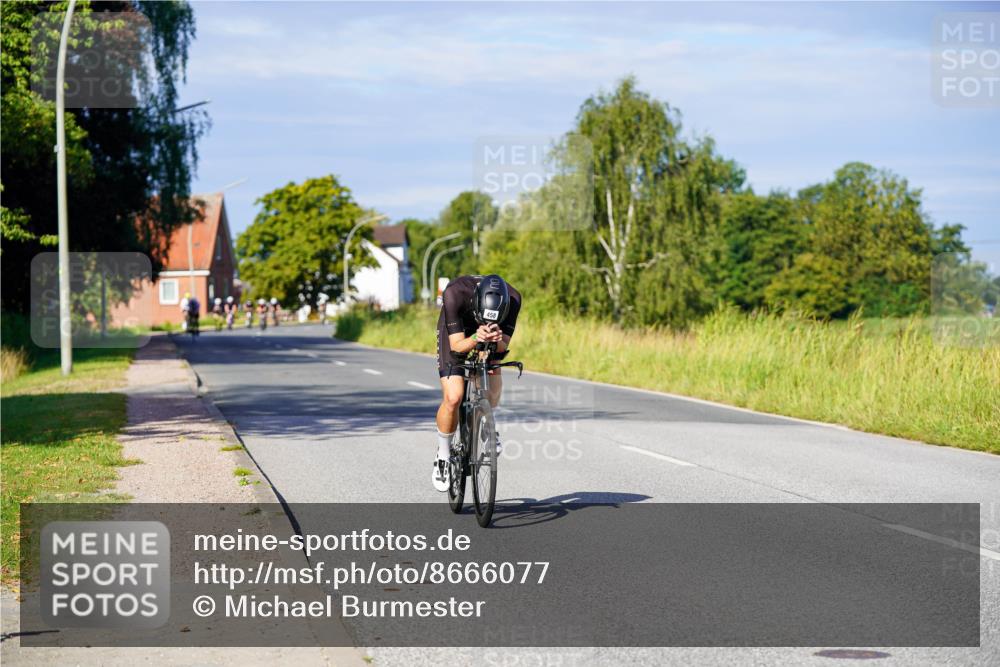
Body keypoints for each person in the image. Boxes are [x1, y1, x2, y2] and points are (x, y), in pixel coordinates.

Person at [432, 274, 521, 492]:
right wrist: (475, 338)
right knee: (454, 397)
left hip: (488, 337)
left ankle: (486, 421)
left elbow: (501, 349)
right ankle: (443, 455)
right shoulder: (455, 293)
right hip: (457, 334)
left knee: (492, 374)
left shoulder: (513, 298)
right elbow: (457, 346)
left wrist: (496, 338)